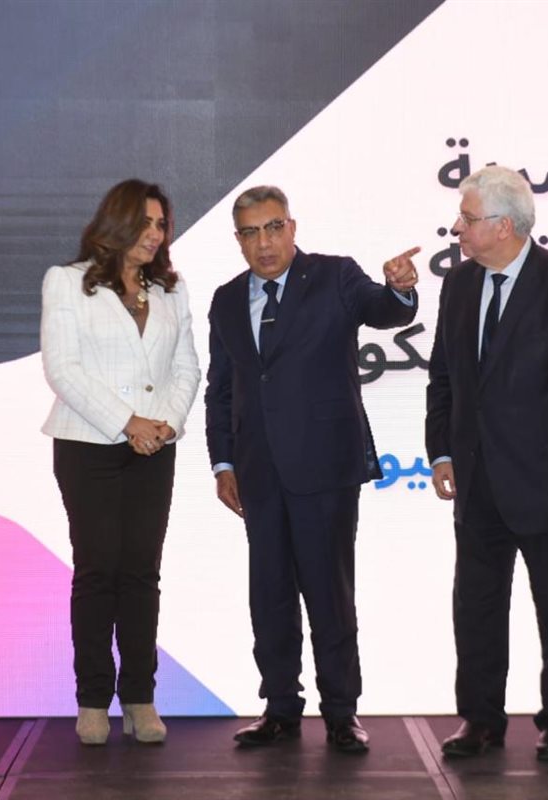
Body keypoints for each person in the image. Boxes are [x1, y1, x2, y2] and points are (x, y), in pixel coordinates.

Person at [204, 185, 419, 753]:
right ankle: (279, 708)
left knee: (329, 594)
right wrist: (223, 461)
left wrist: (400, 289)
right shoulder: (227, 299)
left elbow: (383, 310)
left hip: (325, 466)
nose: (264, 242)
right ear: (238, 240)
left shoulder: (335, 276)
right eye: (251, 232)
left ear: (292, 228)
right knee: (269, 595)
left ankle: (342, 712)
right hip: (257, 473)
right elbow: (221, 388)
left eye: (274, 227)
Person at [425, 166, 548, 760]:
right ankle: (480, 719)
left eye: (467, 218)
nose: (456, 228)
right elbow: (444, 376)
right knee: (476, 609)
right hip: (478, 482)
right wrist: (441, 450)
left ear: (503, 226)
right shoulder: (458, 285)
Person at [40, 179, 201, 746]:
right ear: (117, 223)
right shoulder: (66, 282)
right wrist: (128, 422)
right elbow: (63, 369)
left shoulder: (172, 289)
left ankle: (139, 696)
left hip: (155, 446)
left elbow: (187, 368)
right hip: (89, 445)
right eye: (146, 223)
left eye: (161, 225)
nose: (155, 234)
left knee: (141, 573)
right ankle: (92, 700)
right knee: (97, 570)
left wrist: (166, 424)